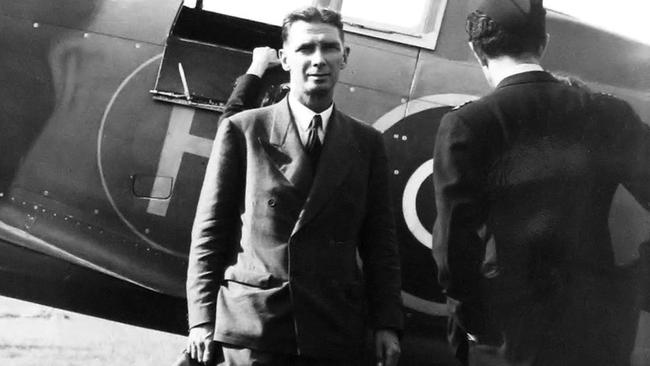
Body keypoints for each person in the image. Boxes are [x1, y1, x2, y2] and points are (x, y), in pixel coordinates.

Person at [431, 0, 650, 365]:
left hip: (505, 333)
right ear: (543, 43)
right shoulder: (610, 114)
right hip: (595, 325)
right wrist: (633, 282)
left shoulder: (469, 123)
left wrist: (471, 321)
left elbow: (454, 242)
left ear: (475, 50)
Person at [186, 6, 403, 366]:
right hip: (257, 328)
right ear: (285, 58)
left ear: (345, 57)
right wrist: (202, 320)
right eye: (305, 49)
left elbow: (381, 242)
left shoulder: (367, 143)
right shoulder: (244, 130)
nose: (318, 60)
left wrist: (387, 324)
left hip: (331, 331)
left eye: (330, 48)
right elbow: (210, 231)